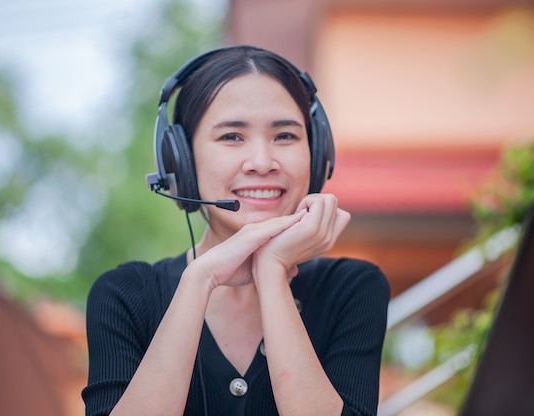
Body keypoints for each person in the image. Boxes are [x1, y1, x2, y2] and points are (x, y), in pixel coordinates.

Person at [81, 45, 390, 416]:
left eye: (285, 136)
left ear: (318, 152)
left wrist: (272, 270)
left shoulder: (350, 289)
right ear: (179, 161)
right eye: (232, 137)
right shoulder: (126, 296)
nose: (262, 163)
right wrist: (201, 279)